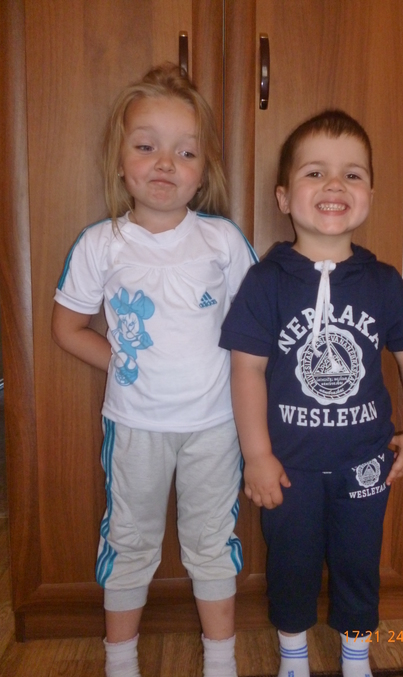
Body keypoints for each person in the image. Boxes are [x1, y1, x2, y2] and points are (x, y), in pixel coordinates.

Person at [52, 62, 256, 677]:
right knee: (130, 538)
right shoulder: (101, 244)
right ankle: (121, 661)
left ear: (203, 170)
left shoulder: (223, 241)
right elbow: (68, 328)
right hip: (134, 426)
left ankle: (221, 660)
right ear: (120, 160)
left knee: (211, 542)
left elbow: (256, 332)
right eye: (146, 147)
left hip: (216, 426)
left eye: (185, 152)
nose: (165, 163)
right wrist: (124, 361)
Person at [220, 110, 403, 677]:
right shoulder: (265, 282)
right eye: (315, 172)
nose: (335, 184)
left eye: (352, 174)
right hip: (287, 466)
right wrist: (257, 455)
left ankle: (356, 655)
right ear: (284, 197)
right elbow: (246, 370)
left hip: (364, 462)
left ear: (370, 196)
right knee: (290, 564)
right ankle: (293, 654)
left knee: (359, 562)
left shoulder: (383, 282)